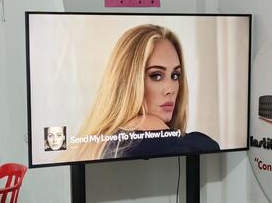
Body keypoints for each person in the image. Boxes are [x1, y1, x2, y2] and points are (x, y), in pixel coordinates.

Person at [67, 24, 219, 161]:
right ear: (129, 80)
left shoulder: (96, 143)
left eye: (175, 75)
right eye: (156, 76)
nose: (171, 89)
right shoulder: (147, 125)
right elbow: (209, 148)